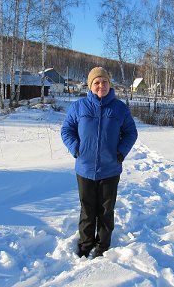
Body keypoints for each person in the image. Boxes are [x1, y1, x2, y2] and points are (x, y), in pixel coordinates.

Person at [61, 67, 138, 258]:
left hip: (110, 169)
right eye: (97, 82)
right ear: (90, 85)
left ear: (109, 84)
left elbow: (131, 132)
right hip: (85, 168)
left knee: (105, 210)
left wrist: (121, 152)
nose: (101, 85)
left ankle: (103, 246)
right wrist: (76, 149)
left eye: (104, 82)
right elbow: (66, 130)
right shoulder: (79, 107)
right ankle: (86, 245)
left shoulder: (119, 108)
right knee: (87, 210)